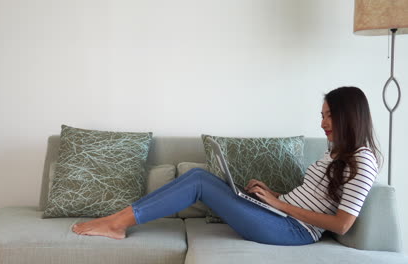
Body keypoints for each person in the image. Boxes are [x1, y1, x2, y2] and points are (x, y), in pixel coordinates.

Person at [72, 86, 381, 246]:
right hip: (279, 215)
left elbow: (342, 224)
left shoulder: (362, 160)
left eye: (329, 116)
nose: (322, 122)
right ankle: (117, 218)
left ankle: (117, 224)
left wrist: (279, 205)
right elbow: (312, 196)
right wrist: (274, 195)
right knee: (197, 175)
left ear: (349, 116)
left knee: (199, 184)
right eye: (323, 115)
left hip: (292, 231)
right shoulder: (337, 153)